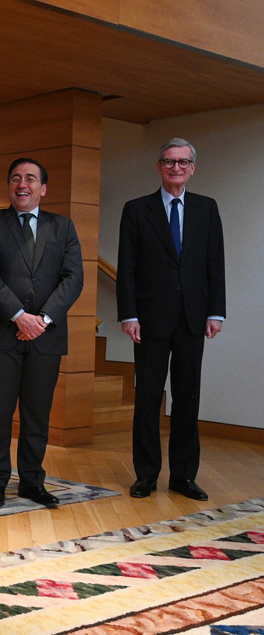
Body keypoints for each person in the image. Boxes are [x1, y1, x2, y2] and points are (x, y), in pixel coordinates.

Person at [0, 158, 83, 509]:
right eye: (16, 178)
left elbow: (73, 278)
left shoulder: (63, 227)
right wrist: (20, 316)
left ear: (43, 188)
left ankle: (32, 482)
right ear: (9, 186)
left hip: (46, 337)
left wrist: (43, 319)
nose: (23, 184)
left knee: (37, 414)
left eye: (30, 179)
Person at [117, 138, 225, 502]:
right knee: (147, 397)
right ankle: (145, 475)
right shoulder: (136, 210)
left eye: (182, 162)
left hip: (194, 319)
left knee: (187, 398)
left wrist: (216, 311)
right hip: (148, 320)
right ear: (159, 166)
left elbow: (215, 263)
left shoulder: (207, 209)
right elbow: (127, 267)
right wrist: (128, 314)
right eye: (168, 161)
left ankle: (183, 476)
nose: (175, 167)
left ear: (193, 167)